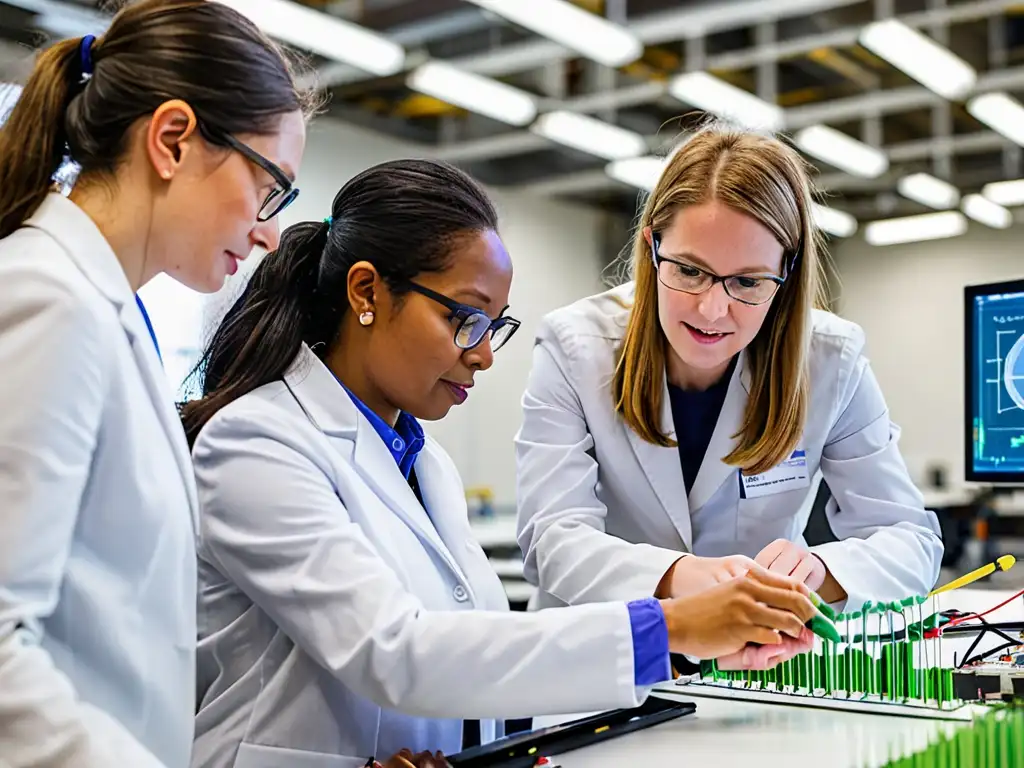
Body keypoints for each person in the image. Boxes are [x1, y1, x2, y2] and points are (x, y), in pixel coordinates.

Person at [179, 158, 818, 767]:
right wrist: (668, 628)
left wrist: (674, 655)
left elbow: (478, 662)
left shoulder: (427, 468)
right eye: (465, 320)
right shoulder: (257, 442)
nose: (484, 355)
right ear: (366, 290)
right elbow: (398, 654)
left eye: (494, 325)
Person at [0, 1, 308, 765]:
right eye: (271, 185)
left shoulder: (102, 307)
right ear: (172, 140)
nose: (271, 232)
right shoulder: (47, 299)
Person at [514, 122, 943, 621]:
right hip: (602, 657)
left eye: (747, 281)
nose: (712, 310)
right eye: (689, 271)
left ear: (787, 272)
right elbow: (551, 538)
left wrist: (818, 570)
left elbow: (910, 539)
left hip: (754, 663)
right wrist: (680, 577)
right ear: (652, 249)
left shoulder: (830, 358)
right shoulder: (575, 347)